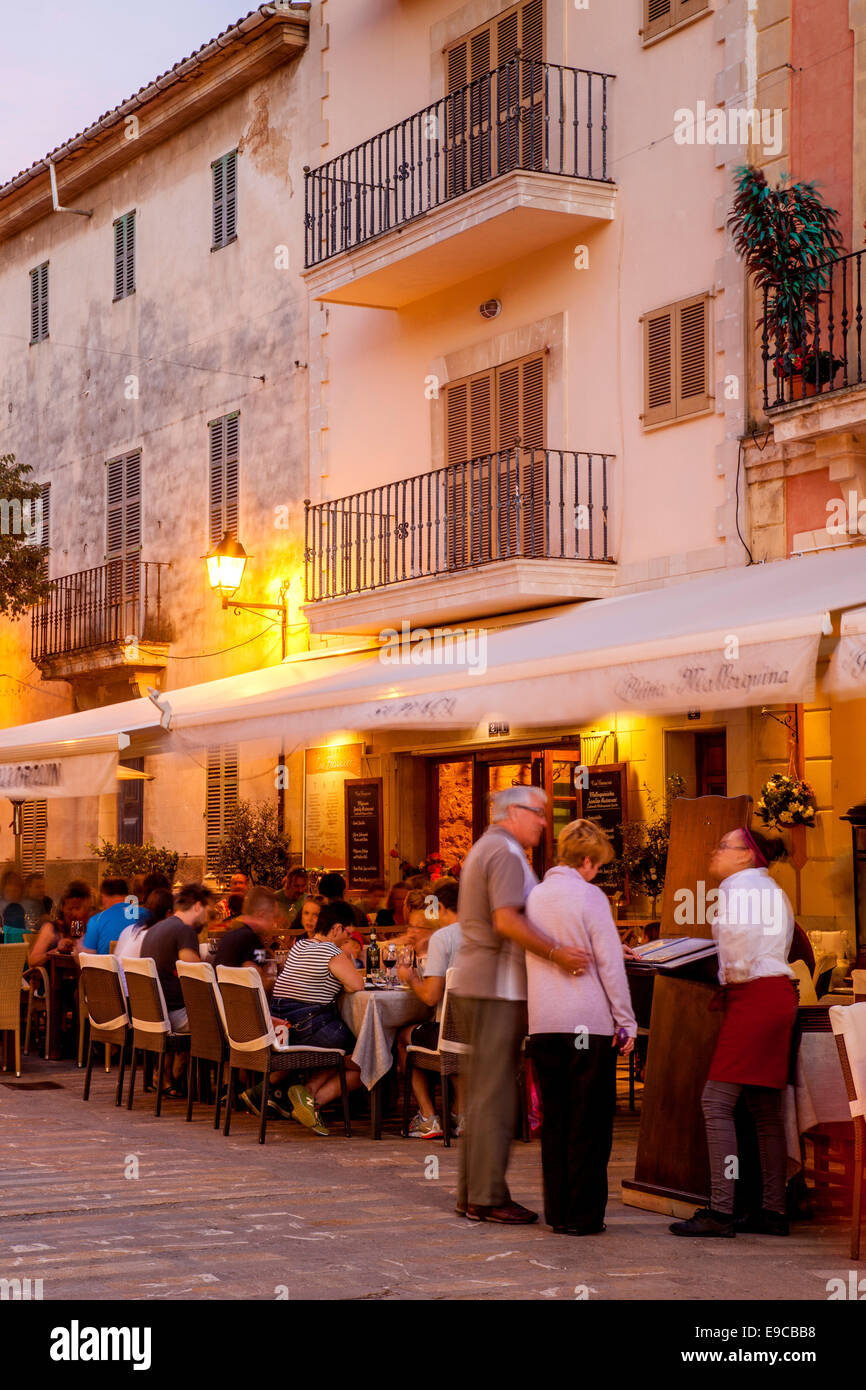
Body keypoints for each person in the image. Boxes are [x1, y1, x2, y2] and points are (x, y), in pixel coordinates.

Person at [451, 785, 588, 1225]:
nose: (544, 822)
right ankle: (487, 1197)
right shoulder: (506, 853)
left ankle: (474, 1194)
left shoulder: (487, 848)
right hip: (497, 986)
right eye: (538, 813)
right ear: (512, 812)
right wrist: (556, 952)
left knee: (486, 1092)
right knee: (496, 1095)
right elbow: (507, 919)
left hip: (481, 984)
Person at [670, 826, 798, 1239]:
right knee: (764, 1109)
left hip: (753, 996)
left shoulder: (738, 888)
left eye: (722, 846)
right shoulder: (771, 889)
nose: (715, 851)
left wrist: (727, 981)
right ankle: (773, 1210)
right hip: (776, 994)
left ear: (746, 855)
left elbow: (738, 951)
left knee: (716, 1102)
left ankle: (721, 1210)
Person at [526, 820, 637, 1235]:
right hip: (586, 1023)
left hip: (544, 1022)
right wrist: (625, 1020)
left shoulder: (534, 896)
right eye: (597, 866)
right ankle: (584, 1215)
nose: (596, 873)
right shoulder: (589, 897)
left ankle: (558, 1212)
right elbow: (608, 964)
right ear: (586, 860)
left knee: (555, 1121)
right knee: (588, 1123)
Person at [264, 901, 365, 1133]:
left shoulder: (300, 946)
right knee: (363, 1059)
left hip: (284, 1027)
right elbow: (357, 985)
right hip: (307, 1027)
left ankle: (307, 1096)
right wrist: (347, 960)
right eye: (348, 934)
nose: (347, 939)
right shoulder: (332, 951)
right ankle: (311, 1097)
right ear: (337, 928)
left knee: (344, 1053)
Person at [396, 877, 465, 1139]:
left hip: (451, 1036)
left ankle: (427, 1116)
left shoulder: (444, 938)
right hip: (490, 1031)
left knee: (404, 1036)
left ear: (443, 909)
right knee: (455, 1039)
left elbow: (430, 997)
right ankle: (462, 1113)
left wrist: (411, 977)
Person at [140, 883, 212, 1033]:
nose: (207, 921)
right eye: (208, 914)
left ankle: (181, 1056)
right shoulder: (185, 931)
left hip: (153, 1013)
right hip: (176, 1015)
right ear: (198, 906)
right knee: (234, 1016)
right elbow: (195, 983)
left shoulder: (152, 930)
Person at [114, 888, 174, 993]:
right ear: (169, 913)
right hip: (138, 997)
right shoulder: (158, 935)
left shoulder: (130, 929)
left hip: (119, 994)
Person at [29, 880, 92, 967]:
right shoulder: (51, 928)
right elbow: (32, 961)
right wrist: (56, 951)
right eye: (70, 908)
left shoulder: (84, 926)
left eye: (77, 908)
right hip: (53, 977)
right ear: (63, 908)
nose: (73, 913)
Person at [79, 879, 142, 956]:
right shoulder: (147, 915)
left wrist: (78, 943)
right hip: (142, 966)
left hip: (106, 967)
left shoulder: (96, 920)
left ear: (103, 897)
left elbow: (87, 957)